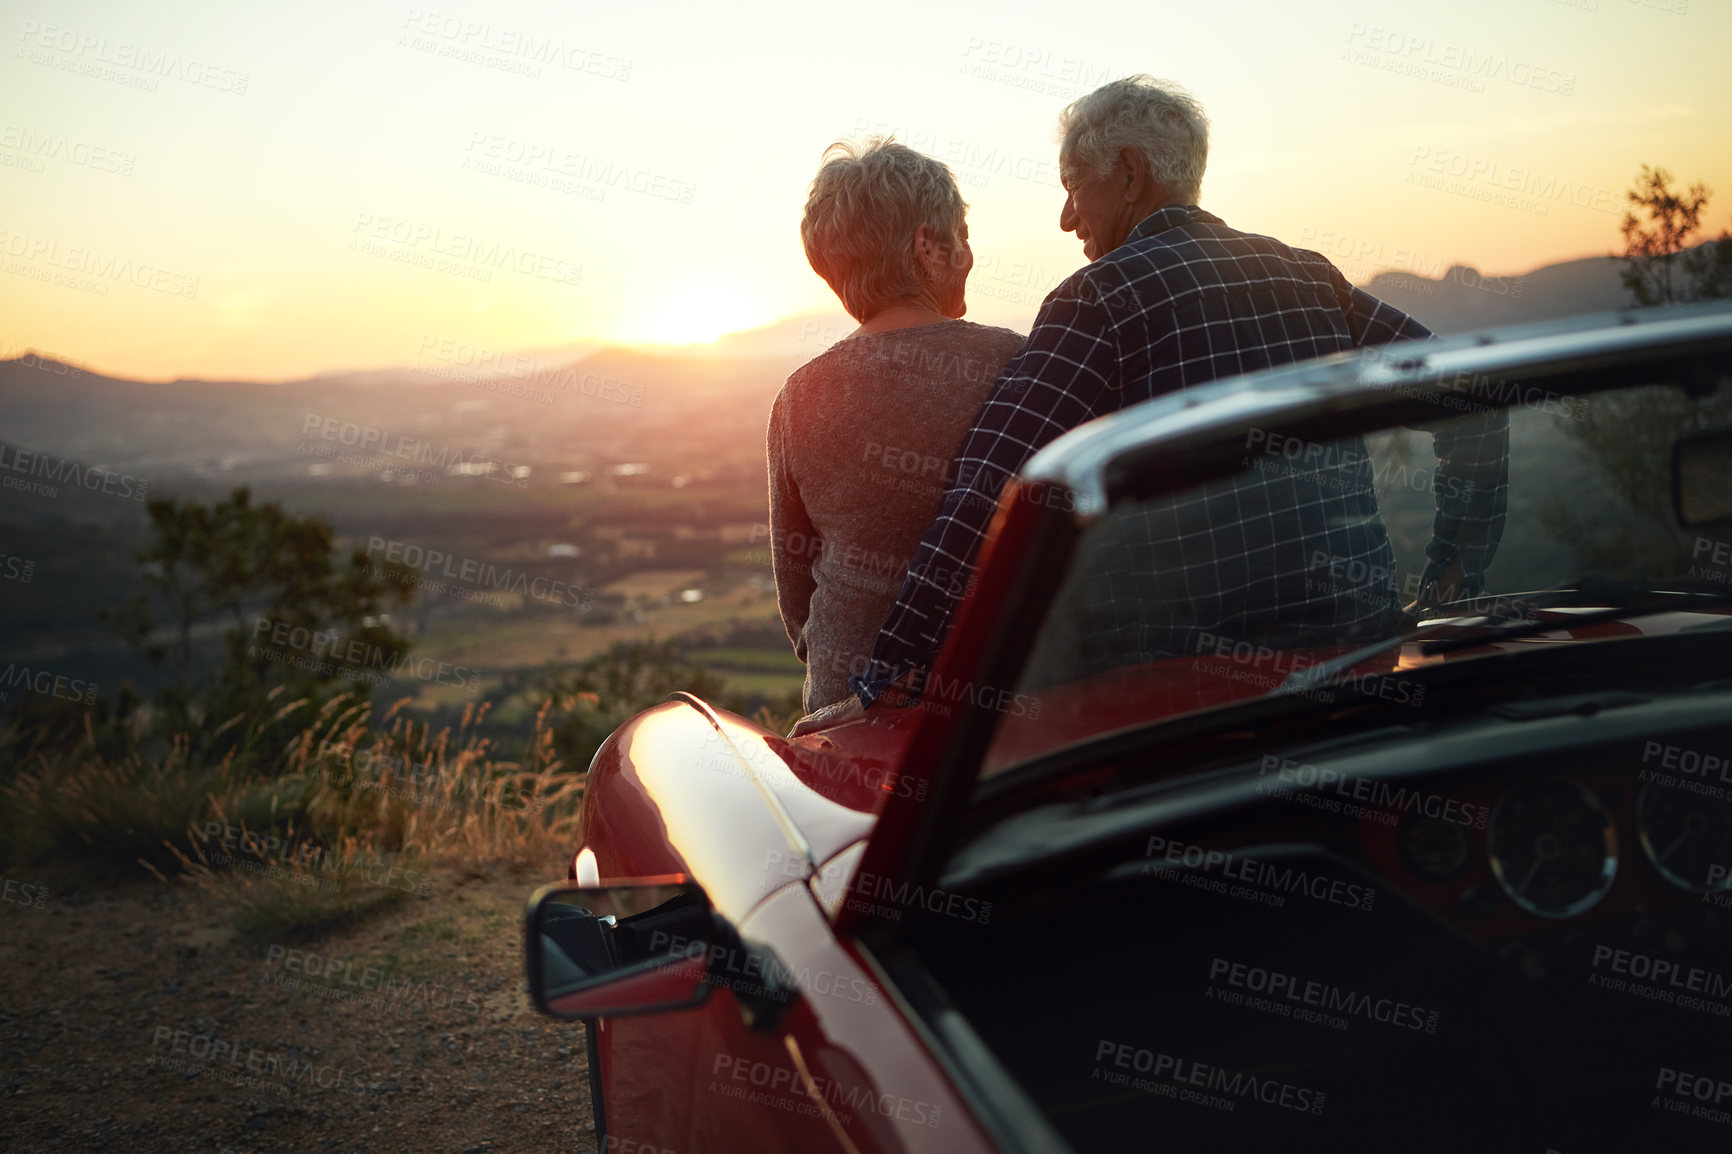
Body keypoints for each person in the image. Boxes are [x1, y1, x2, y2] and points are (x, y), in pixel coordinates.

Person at [792, 75, 1507, 735]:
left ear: (1131, 173)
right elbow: (1473, 399)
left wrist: (888, 677)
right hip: (1361, 660)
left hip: (1185, 703)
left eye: (1075, 187)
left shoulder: (1098, 299)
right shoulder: (1309, 276)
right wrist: (1454, 579)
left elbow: (990, 492)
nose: (1068, 217)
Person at [769, 138, 1025, 718]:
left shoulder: (800, 396)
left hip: (847, 707)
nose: (968, 254)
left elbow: (795, 581)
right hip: (1003, 695)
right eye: (960, 235)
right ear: (926, 247)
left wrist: (834, 652)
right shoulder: (1022, 367)